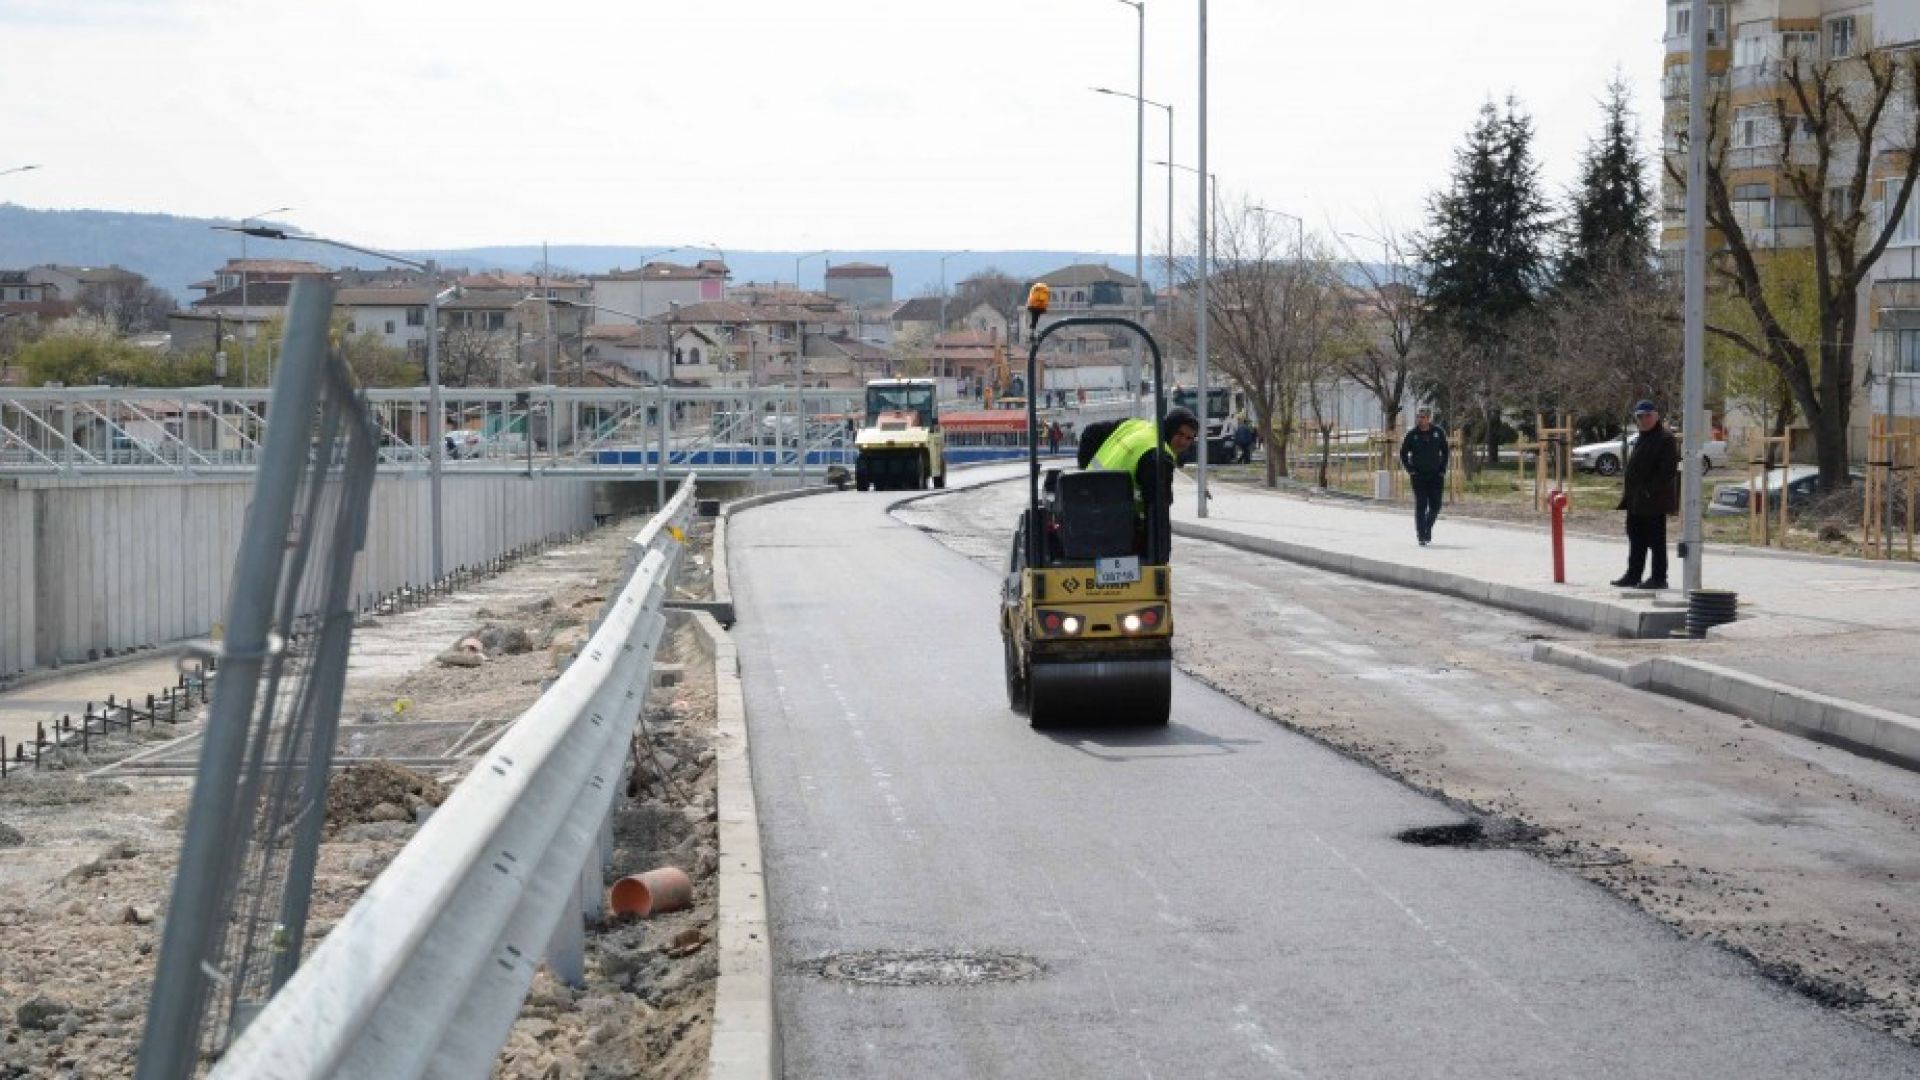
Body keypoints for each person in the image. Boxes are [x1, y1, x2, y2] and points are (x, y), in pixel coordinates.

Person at [1088, 407, 1201, 562]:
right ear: (1169, 428)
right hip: (1113, 527)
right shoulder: (1157, 456)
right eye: (1180, 434)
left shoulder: (1135, 426)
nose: (1183, 442)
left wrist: (1085, 471)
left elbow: (1091, 432)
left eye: (1189, 438)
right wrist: (1160, 558)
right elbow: (1158, 510)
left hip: (1085, 508)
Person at [1614, 399, 1679, 589]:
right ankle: (1633, 575)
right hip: (1636, 499)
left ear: (1656, 416)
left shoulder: (1665, 438)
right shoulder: (1643, 436)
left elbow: (1667, 471)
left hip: (1653, 500)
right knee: (1636, 538)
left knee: (1656, 541)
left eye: (1648, 415)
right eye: (1640, 416)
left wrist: (1649, 489)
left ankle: (1659, 578)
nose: (1644, 420)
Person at [1398, 406, 1449, 545]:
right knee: (1421, 504)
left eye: (1423, 417)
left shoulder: (1438, 432)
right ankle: (1421, 535)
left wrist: (1442, 469)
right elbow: (1403, 453)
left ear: (1429, 418)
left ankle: (1427, 526)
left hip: (1436, 476)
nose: (1420, 420)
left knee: (1436, 506)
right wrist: (1410, 470)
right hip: (1419, 476)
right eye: (1419, 417)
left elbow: (1445, 452)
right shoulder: (1412, 434)